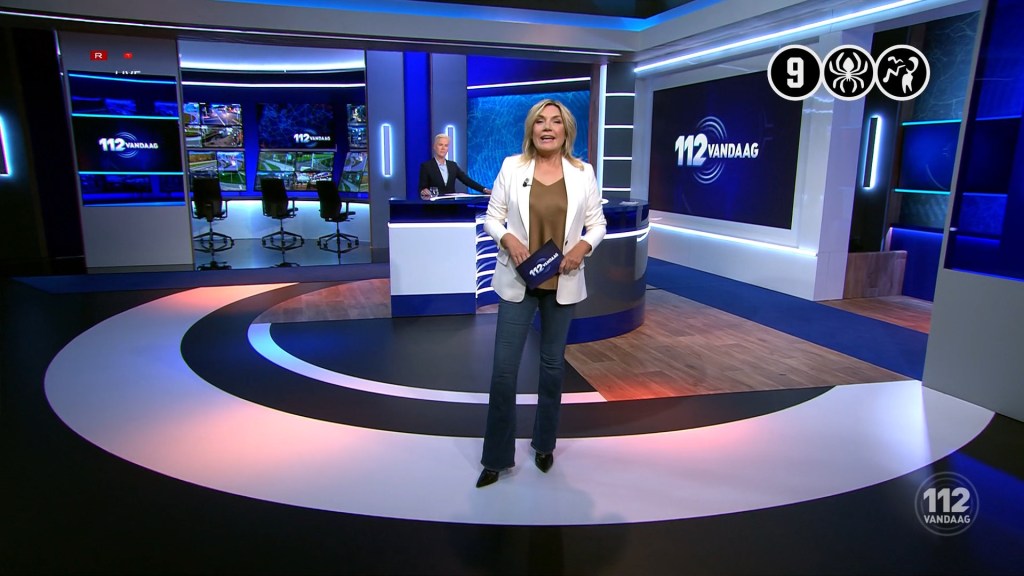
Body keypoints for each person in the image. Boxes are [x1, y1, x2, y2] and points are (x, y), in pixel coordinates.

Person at [476, 99, 607, 488]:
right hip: (519, 281)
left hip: (562, 281)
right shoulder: (511, 167)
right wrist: (509, 240)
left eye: (555, 121)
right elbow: (492, 218)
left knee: (552, 369)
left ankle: (544, 444)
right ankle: (496, 457)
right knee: (504, 372)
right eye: (540, 122)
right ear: (531, 129)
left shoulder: (583, 173)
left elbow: (597, 224)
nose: (547, 127)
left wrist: (583, 247)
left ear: (566, 131)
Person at [418, 134, 490, 199]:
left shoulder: (452, 166)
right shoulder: (426, 166)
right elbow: (422, 188)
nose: (443, 148)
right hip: (434, 206)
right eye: (440, 145)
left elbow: (467, 180)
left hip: (452, 205)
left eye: (446, 145)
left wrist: (484, 190)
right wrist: (423, 191)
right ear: (434, 146)